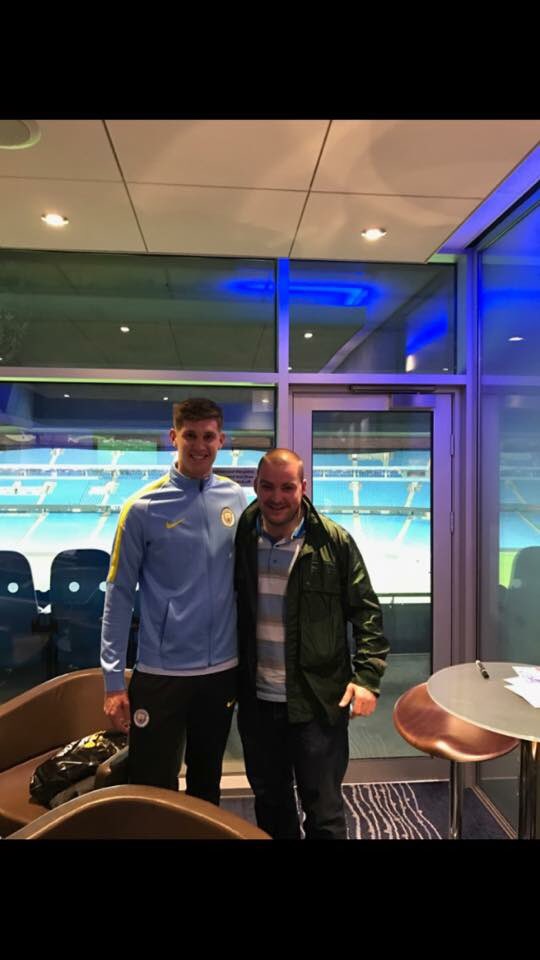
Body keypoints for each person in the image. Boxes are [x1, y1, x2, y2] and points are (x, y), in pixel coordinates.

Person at [235, 448, 388, 839]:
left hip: (318, 702)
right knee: (271, 804)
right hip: (258, 702)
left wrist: (367, 677)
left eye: (287, 487)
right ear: (255, 486)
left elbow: (366, 611)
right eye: (267, 486)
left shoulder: (333, 542)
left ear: (304, 487)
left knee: (324, 812)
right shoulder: (243, 535)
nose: (276, 496)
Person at [100, 398, 247, 805]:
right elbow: (118, 595)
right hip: (161, 673)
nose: (199, 446)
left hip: (221, 671)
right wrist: (113, 682)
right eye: (190, 436)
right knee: (152, 786)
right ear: (173, 438)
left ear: (221, 440)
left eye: (208, 437)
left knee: (206, 783)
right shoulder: (141, 508)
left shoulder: (237, 500)